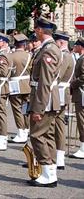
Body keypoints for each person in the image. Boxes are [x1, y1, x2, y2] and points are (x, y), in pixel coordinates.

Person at [28, 17, 61, 187]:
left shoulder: (48, 50)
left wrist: (38, 108)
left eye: (36, 29)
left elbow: (45, 81)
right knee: (47, 135)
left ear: (40, 30)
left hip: (44, 99)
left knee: (37, 135)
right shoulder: (48, 48)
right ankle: (51, 172)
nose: (35, 32)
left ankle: (48, 171)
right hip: (46, 97)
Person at [53, 31, 75, 169]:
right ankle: (57, 156)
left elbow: (57, 75)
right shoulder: (66, 55)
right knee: (57, 125)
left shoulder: (65, 56)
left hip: (60, 92)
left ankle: (59, 158)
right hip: (60, 91)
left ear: (61, 42)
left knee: (58, 126)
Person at [8, 34, 31, 143]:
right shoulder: (30, 56)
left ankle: (21, 132)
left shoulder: (11, 56)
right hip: (27, 85)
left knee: (17, 109)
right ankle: (26, 129)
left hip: (15, 84)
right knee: (25, 109)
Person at [70, 37, 84, 159]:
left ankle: (83, 147)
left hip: (81, 92)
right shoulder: (80, 58)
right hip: (80, 92)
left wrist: (73, 84)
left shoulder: (83, 59)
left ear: (81, 46)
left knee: (82, 120)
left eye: (76, 45)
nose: (75, 47)